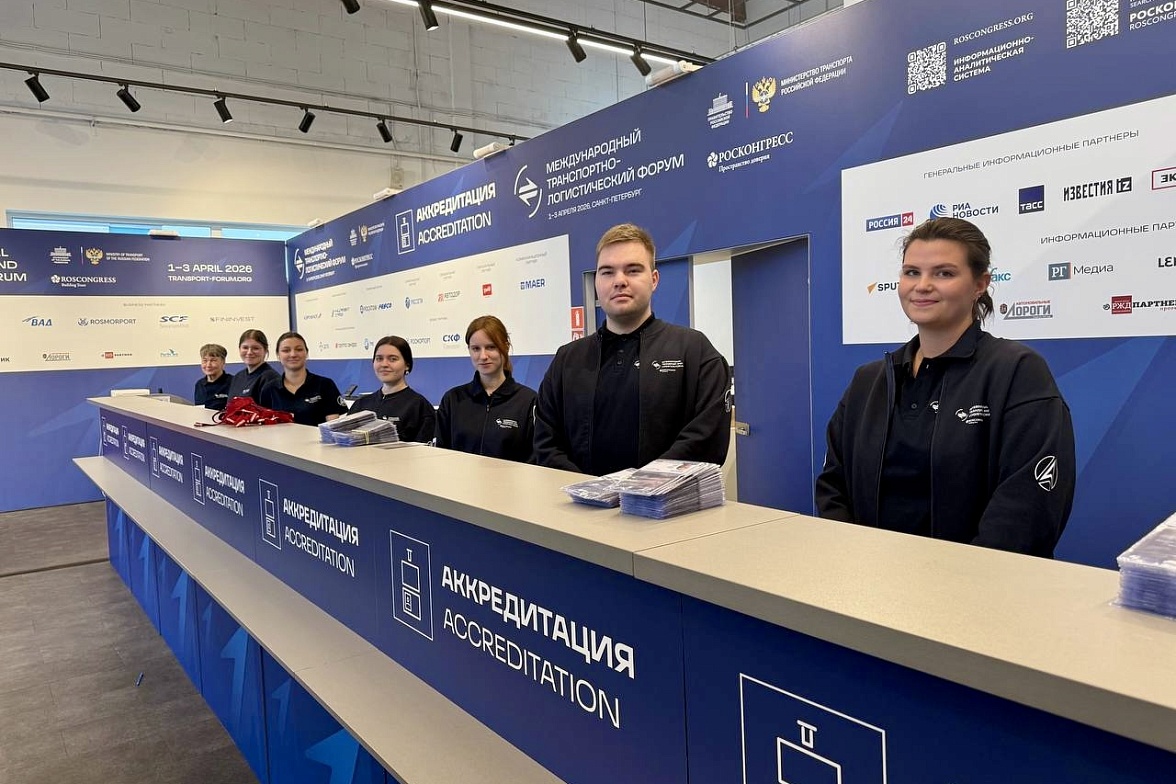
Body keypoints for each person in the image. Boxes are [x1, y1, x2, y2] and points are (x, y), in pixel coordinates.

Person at [815, 217, 1075, 557]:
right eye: (912, 272)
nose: (922, 285)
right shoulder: (869, 381)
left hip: (975, 583)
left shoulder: (1017, 372)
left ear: (980, 284)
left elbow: (1027, 508)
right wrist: (854, 560)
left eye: (944, 273)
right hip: (871, 578)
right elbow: (833, 485)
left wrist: (962, 579)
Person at [535, 223, 731, 475]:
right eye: (607, 272)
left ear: (654, 279)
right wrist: (587, 489)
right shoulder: (567, 360)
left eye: (633, 270)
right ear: (596, 282)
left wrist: (640, 487)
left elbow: (707, 439)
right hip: (578, 498)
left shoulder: (695, 352)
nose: (619, 281)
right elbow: (545, 442)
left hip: (667, 500)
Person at [436, 316, 537, 462]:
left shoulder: (528, 401)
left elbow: (535, 459)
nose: (483, 356)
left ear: (505, 347)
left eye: (491, 347)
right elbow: (439, 455)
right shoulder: (452, 400)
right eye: (476, 349)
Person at [347, 335, 436, 443]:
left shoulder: (419, 407)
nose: (384, 364)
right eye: (379, 358)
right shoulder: (360, 404)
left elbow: (425, 450)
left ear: (407, 365)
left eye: (393, 359)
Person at [256, 332, 347, 426]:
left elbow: (334, 427)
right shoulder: (269, 389)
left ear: (306, 353)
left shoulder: (325, 385)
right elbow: (265, 427)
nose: (293, 354)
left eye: (299, 349)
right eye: (286, 350)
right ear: (278, 355)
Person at [226, 329, 280, 402]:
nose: (249, 352)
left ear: (265, 350)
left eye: (255, 348)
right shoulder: (237, 377)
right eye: (245, 348)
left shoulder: (270, 378)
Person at [193, 343, 231, 410]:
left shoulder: (233, 382)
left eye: (213, 360)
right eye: (205, 360)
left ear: (223, 362)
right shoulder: (199, 384)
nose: (208, 365)